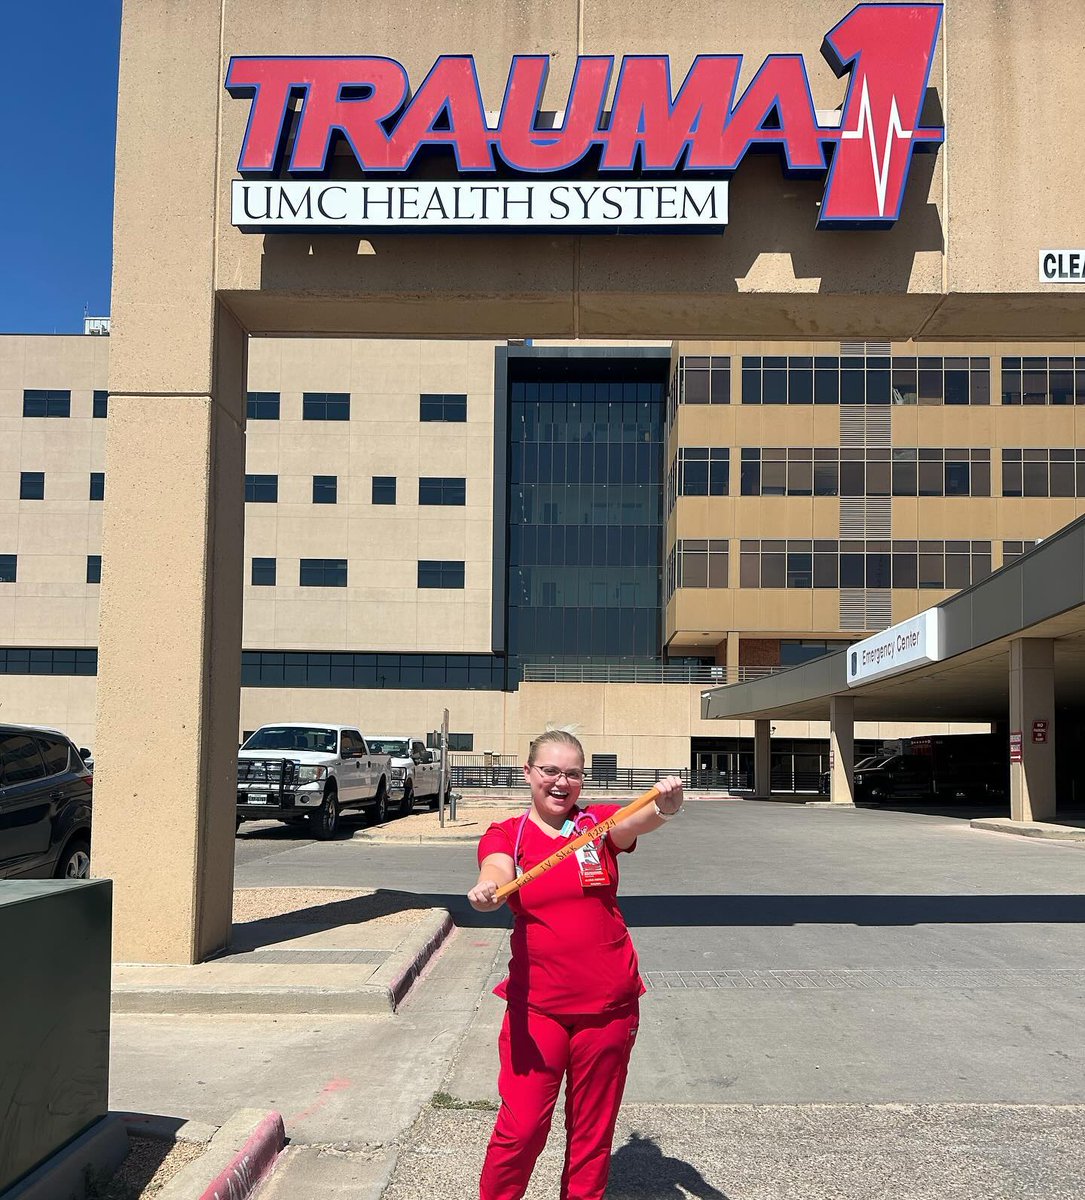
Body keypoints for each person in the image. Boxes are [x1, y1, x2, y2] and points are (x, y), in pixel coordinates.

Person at [467, 729, 684, 1200]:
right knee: (521, 1129)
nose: (561, 782)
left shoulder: (597, 824)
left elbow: (638, 821)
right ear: (528, 773)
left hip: (609, 1007)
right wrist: (487, 889)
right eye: (550, 771)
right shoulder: (509, 832)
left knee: (591, 1136)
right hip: (537, 1009)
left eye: (573, 773)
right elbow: (496, 870)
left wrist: (666, 805)